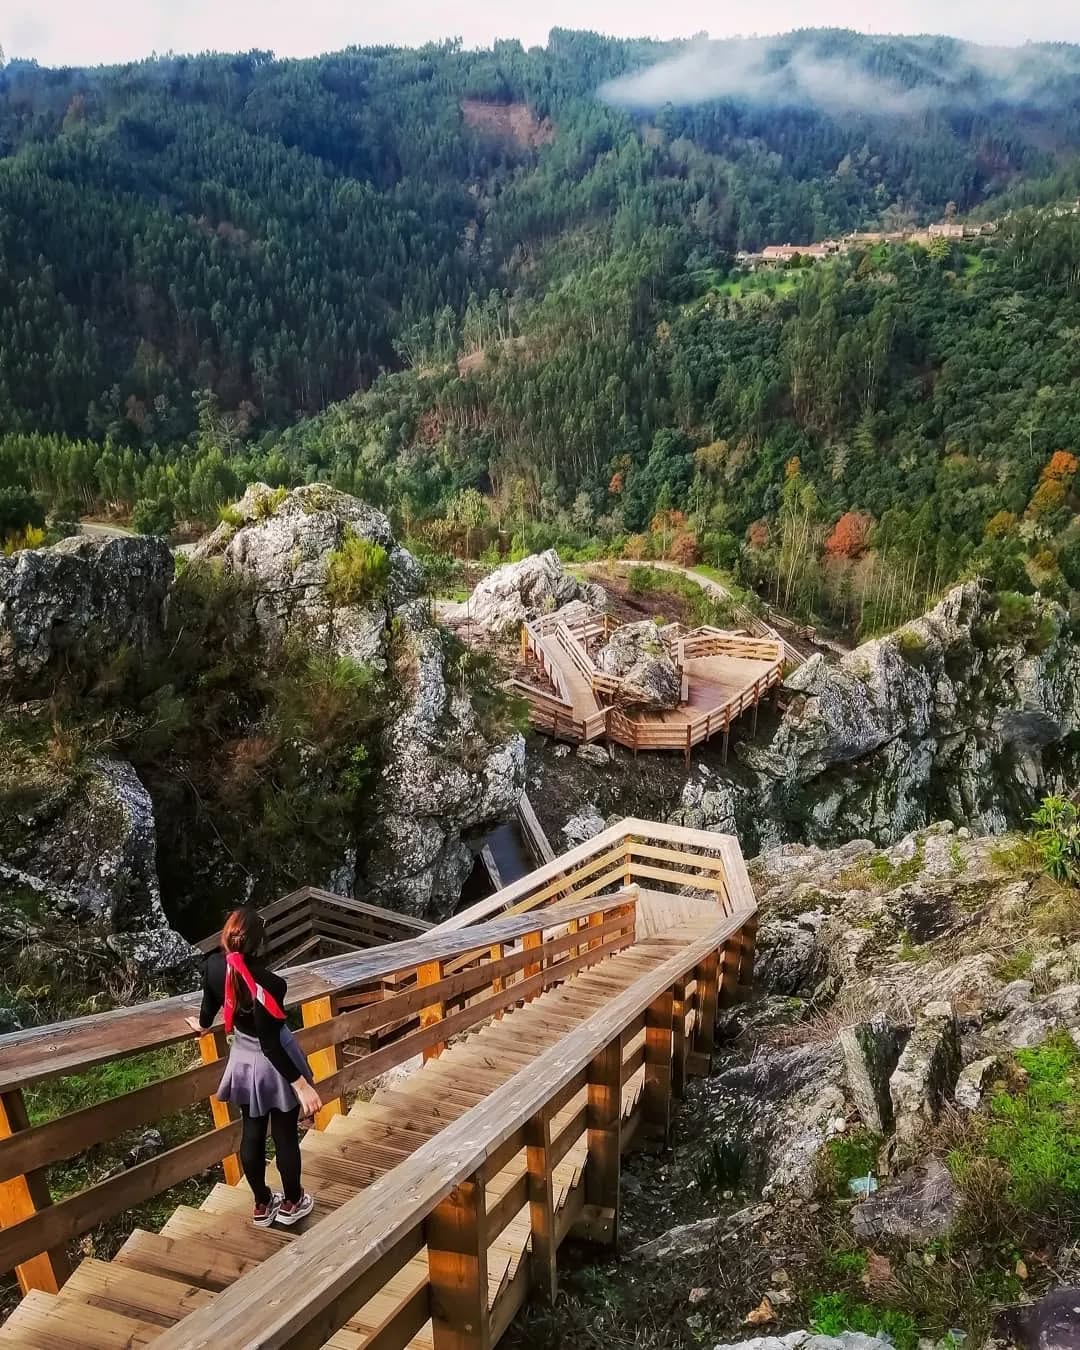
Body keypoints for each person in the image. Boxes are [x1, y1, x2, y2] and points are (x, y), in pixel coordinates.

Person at [186, 907, 323, 1228]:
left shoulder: (214, 966)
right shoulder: (271, 984)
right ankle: (293, 1201)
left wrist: (203, 1024)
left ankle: (262, 1204)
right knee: (286, 1135)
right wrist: (301, 1084)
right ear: (259, 944)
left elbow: (210, 1004)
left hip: (244, 1060)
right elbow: (271, 1044)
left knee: (253, 1132)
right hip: (275, 1063)